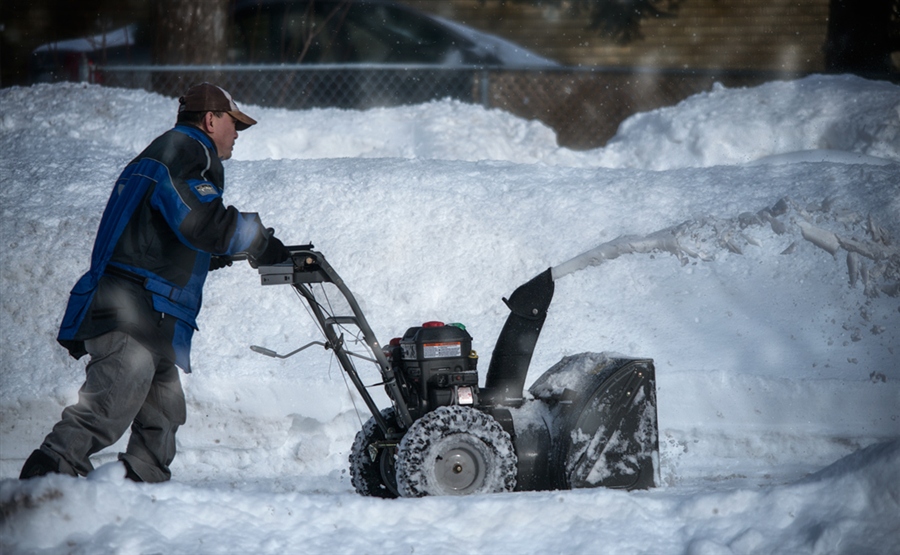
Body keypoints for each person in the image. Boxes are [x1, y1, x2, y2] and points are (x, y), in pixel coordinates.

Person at [19, 83, 290, 483]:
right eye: (234, 124)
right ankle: (45, 479)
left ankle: (143, 487)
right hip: (132, 305)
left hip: (152, 309)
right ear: (210, 119)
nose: (237, 135)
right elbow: (198, 220)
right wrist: (259, 241)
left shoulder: (169, 153)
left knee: (163, 414)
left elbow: (165, 226)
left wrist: (210, 256)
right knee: (110, 403)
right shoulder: (184, 149)